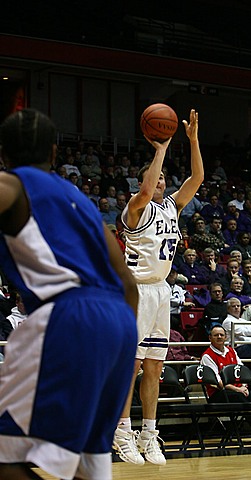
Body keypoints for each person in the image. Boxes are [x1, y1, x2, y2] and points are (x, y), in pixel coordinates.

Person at [0, 108, 138, 480]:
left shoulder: (12, 184)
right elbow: (127, 280)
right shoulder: (82, 203)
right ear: (55, 153)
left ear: (3, 156)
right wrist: (118, 341)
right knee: (84, 466)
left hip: (68, 314)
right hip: (120, 324)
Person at [113, 109, 204, 466]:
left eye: (166, 178)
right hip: (134, 292)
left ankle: (149, 434)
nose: (163, 182)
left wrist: (192, 140)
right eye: (158, 177)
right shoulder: (135, 209)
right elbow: (148, 187)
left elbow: (197, 177)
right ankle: (122, 431)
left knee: (153, 366)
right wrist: (161, 148)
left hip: (161, 292)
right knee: (131, 365)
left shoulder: (171, 207)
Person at [201, 324, 251, 435]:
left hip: (237, 390)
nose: (219, 337)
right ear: (210, 338)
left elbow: (243, 372)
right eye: (216, 335)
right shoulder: (207, 356)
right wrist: (238, 390)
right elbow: (219, 383)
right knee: (239, 397)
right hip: (218, 394)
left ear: (226, 337)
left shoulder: (232, 351)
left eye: (221, 335)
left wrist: (244, 386)